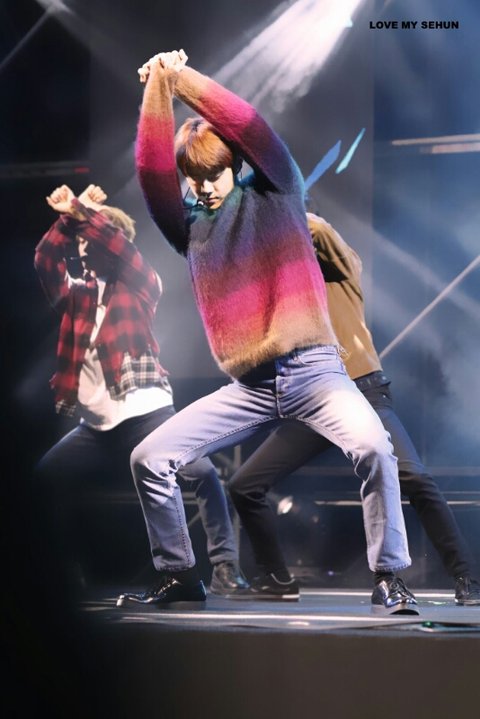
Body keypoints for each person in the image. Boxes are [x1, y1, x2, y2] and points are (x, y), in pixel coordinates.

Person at [118, 48, 418, 616]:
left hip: (315, 373)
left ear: (235, 166)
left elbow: (250, 126)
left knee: (374, 447)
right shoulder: (190, 229)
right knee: (149, 457)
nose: (204, 187)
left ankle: (388, 577)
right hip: (249, 387)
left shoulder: (278, 192)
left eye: (213, 174)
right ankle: (180, 576)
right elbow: (153, 173)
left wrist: (181, 78)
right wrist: (156, 86)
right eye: (193, 178)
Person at [227, 213, 480, 605]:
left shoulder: (340, 265)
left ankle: (466, 577)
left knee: (414, 478)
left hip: (363, 392)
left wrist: (281, 208)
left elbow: (318, 231)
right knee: (244, 485)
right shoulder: (283, 290)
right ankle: (275, 576)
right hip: (313, 402)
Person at [33, 182, 248, 605]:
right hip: (95, 427)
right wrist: (66, 220)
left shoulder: (140, 285)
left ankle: (225, 566)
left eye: (88, 241)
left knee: (203, 473)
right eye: (79, 243)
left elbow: (116, 246)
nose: (82, 249)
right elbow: (44, 260)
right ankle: (62, 569)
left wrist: (82, 212)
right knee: (42, 480)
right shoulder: (77, 299)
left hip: (147, 412)